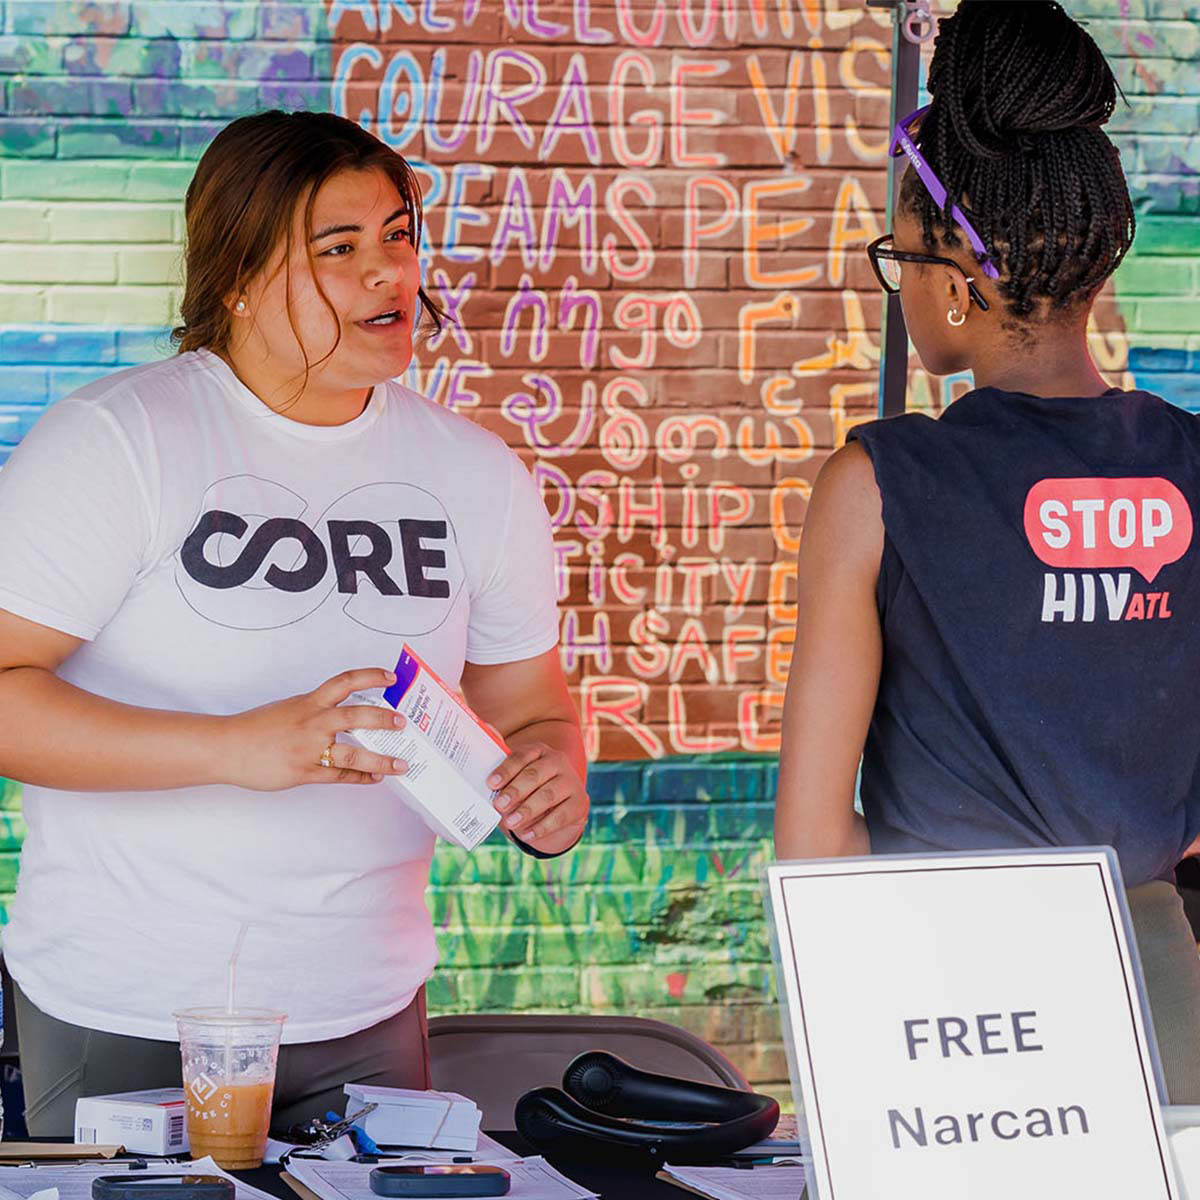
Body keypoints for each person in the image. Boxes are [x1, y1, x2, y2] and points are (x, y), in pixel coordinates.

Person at [0, 110, 589, 1135]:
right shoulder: (116, 441)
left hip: (367, 1004)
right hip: (128, 1003)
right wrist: (239, 746)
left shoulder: (478, 475)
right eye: (340, 247)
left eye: (399, 236)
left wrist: (549, 779)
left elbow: (530, 706)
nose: (388, 273)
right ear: (236, 274)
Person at [773, 0, 1200, 1102]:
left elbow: (816, 844)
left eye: (900, 258)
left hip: (950, 994)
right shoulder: (1193, 468)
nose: (901, 282)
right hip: (1162, 990)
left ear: (957, 281)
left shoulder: (877, 484)